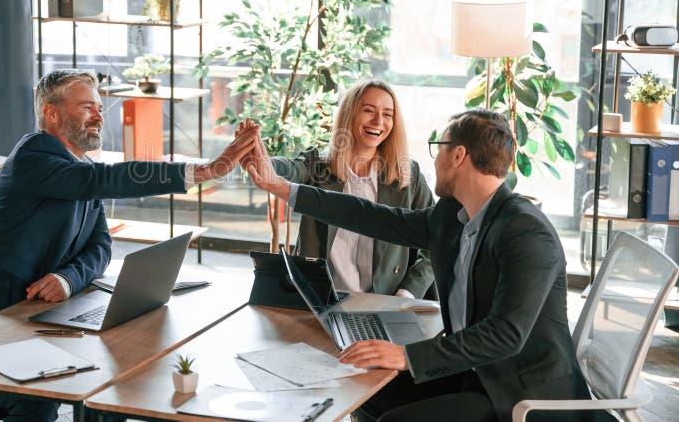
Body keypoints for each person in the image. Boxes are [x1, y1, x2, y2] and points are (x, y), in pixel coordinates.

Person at [243, 109, 609, 422]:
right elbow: (374, 217)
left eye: (439, 148)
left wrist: (406, 355)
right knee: (368, 390)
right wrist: (283, 187)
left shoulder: (526, 231)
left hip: (519, 393)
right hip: (474, 372)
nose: (433, 159)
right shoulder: (453, 215)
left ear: (459, 155)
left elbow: (505, 335)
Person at [0, 69, 257, 422]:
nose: (100, 116)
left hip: (28, 317)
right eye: (88, 107)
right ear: (51, 113)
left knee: (107, 375)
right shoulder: (33, 157)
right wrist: (205, 170)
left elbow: (100, 246)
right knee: (40, 397)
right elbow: (101, 180)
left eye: (101, 108)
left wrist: (68, 278)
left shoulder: (80, 168)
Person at [265, 80, 434, 297]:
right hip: (322, 300)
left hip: (387, 303)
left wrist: (408, 292)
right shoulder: (319, 164)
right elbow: (289, 168)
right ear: (350, 114)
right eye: (368, 111)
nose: (378, 121)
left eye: (388, 114)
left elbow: (437, 240)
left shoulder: (408, 173)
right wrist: (262, 161)